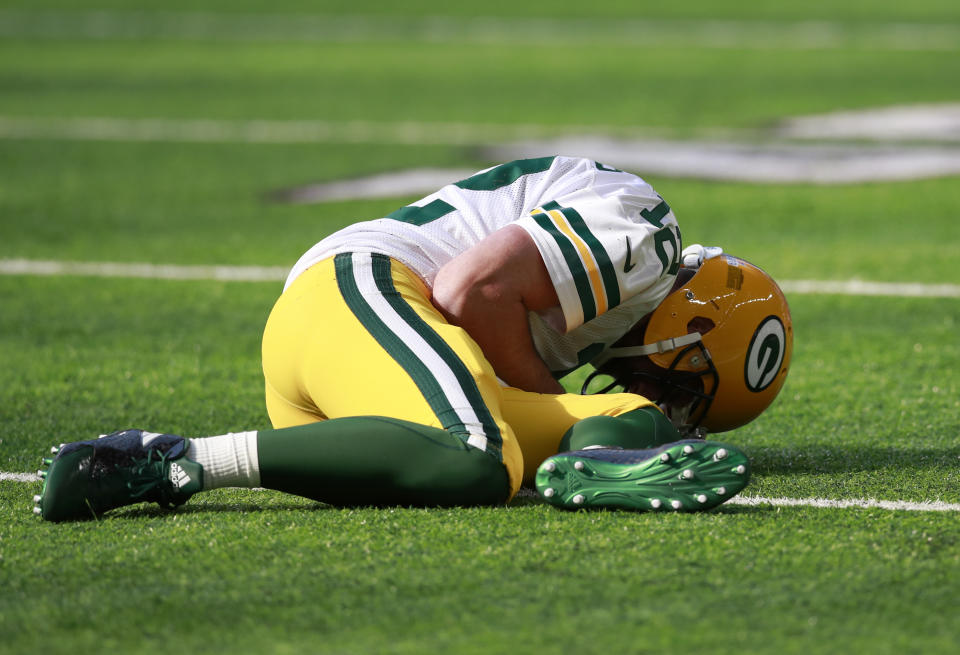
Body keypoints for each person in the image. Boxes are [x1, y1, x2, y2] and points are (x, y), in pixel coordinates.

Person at [33, 156, 792, 521]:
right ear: (696, 321)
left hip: (369, 393)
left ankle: (597, 466)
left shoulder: (615, 302)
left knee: (630, 426)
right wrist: (546, 397)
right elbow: (472, 289)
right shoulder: (649, 231)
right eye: (683, 383)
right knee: (480, 456)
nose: (668, 391)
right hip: (358, 291)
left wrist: (610, 413)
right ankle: (170, 460)